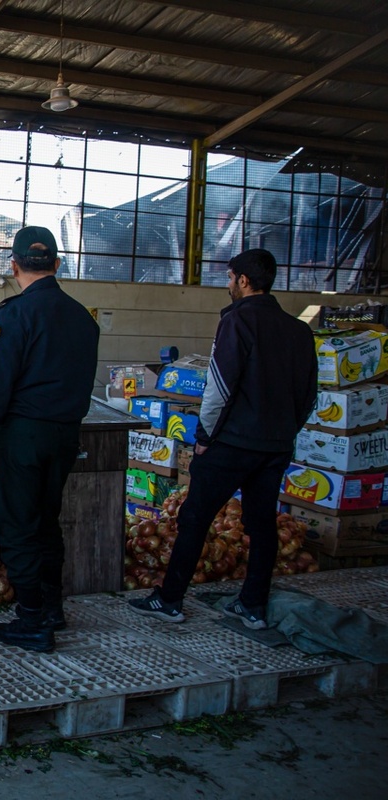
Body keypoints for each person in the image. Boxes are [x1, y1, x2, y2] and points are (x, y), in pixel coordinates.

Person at [129, 249, 317, 629]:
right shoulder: (299, 330)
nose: (228, 285)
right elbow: (309, 395)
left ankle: (170, 599)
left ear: (243, 280)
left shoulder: (237, 321)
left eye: (230, 278)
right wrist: (286, 432)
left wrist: (204, 436)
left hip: (232, 443)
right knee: (262, 524)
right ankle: (253, 605)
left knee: (195, 517)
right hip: (276, 445)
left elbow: (219, 387)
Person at [0, 226, 99, 653]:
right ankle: (52, 606)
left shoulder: (14, 315)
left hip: (22, 437)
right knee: (46, 521)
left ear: (14, 266)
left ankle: (31, 620)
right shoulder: (83, 318)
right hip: (65, 435)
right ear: (57, 265)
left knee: (19, 526)